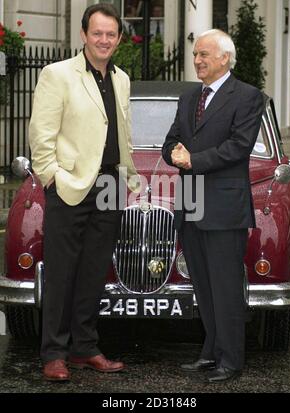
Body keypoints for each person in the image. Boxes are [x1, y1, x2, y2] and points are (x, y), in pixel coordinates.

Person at [29, 3, 139, 382]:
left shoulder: (122, 79)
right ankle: (54, 354)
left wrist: (130, 178)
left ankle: (84, 348)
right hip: (70, 186)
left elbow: (122, 135)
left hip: (110, 185)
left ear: (119, 39)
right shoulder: (57, 74)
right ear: (84, 35)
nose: (104, 40)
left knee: (94, 271)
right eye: (97, 33)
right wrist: (51, 177)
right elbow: (41, 136)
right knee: (61, 272)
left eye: (111, 34)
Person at [162, 29, 264, 383]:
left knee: (225, 287)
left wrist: (193, 160)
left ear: (225, 58)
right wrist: (175, 154)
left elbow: (239, 147)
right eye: (195, 54)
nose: (197, 60)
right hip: (190, 206)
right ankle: (210, 353)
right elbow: (171, 141)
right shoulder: (188, 97)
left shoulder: (249, 97)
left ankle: (231, 360)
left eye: (204, 54)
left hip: (223, 209)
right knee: (203, 286)